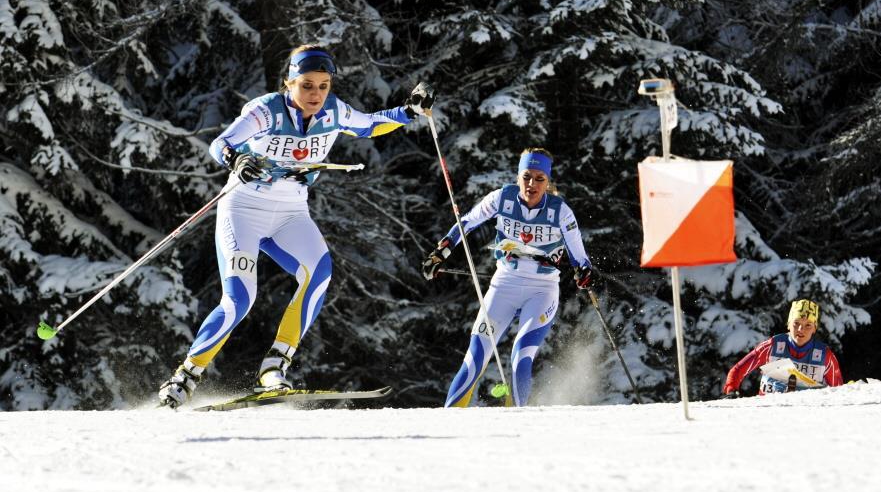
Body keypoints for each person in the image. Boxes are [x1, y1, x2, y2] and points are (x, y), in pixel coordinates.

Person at [158, 44, 435, 408]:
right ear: (289, 82)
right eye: (306, 85)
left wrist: (408, 111)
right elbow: (221, 143)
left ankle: (274, 367)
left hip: (291, 212)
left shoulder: (334, 111)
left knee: (319, 273)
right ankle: (186, 376)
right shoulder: (266, 110)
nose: (315, 94)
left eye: (323, 85)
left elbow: (368, 124)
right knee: (240, 299)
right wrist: (237, 160)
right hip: (244, 208)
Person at [422, 148, 596, 407]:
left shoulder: (560, 211)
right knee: (475, 357)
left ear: (548, 182)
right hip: (503, 285)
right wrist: (440, 252)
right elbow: (467, 222)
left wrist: (585, 273)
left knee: (521, 355)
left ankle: (516, 423)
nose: (531, 184)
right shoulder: (502, 198)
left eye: (539, 178)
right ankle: (448, 422)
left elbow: (580, 257)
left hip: (542, 290)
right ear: (518, 177)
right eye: (526, 176)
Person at [723, 299, 843, 397]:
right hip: (768, 411)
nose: (801, 330)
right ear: (789, 324)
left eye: (808, 325)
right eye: (796, 323)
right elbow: (738, 369)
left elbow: (839, 391)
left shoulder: (824, 355)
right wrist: (731, 389)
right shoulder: (772, 346)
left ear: (814, 328)